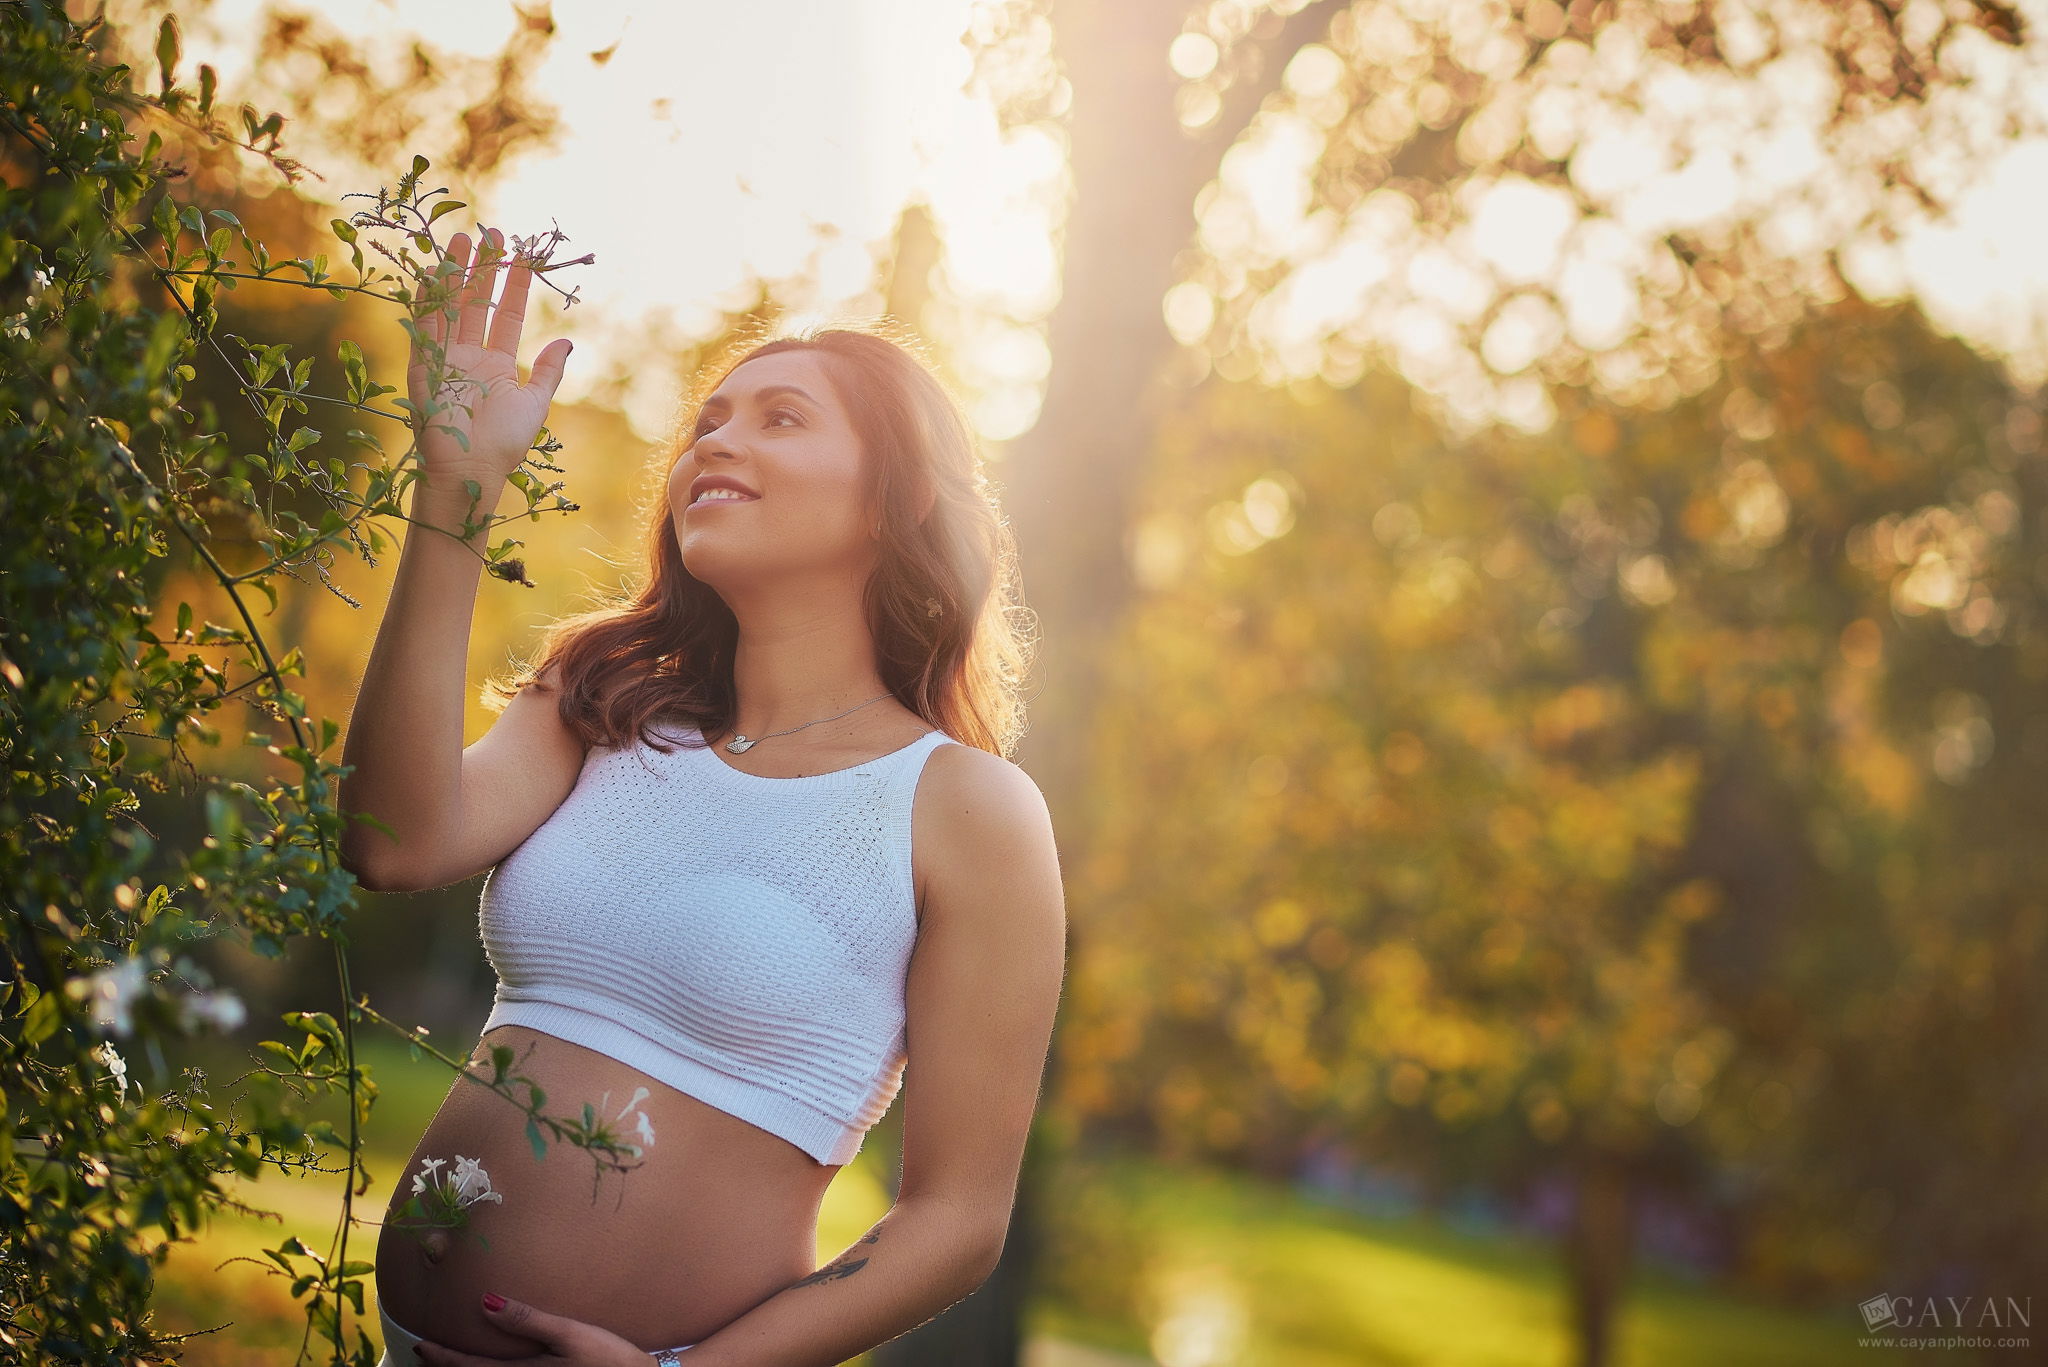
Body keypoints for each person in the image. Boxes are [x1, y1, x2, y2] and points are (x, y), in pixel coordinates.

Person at [337, 227, 1067, 1367]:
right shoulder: (605, 695)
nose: (715, 440)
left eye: (779, 417)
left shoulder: (964, 808)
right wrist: (454, 498)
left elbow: (957, 1219)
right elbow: (392, 840)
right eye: (708, 422)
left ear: (896, 496)